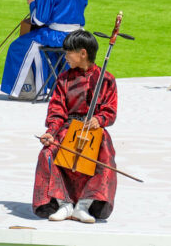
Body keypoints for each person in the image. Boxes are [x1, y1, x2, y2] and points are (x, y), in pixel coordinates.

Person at [33, 30, 118, 223]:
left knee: (104, 148)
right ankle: (63, 203)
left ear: (83, 53)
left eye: (68, 52)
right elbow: (57, 110)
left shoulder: (106, 79)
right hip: (68, 128)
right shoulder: (64, 79)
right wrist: (51, 132)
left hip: (94, 130)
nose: (65, 57)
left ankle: (85, 205)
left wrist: (100, 119)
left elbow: (110, 111)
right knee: (47, 153)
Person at [0, 0, 88, 100]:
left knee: (18, 46)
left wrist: (33, 3)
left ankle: (29, 90)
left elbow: (39, 19)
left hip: (57, 36)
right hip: (77, 35)